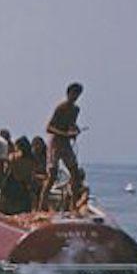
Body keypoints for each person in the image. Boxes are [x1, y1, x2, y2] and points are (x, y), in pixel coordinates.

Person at [38, 82, 83, 211]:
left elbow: (71, 124)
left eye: (77, 95)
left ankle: (73, 206)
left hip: (66, 143)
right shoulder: (60, 108)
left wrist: (74, 131)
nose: (75, 97)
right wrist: (64, 133)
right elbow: (49, 127)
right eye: (73, 94)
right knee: (52, 174)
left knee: (74, 172)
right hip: (56, 142)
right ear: (68, 93)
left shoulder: (76, 110)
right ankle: (42, 205)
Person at [0, 136, 37, 215]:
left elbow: (10, 170)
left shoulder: (13, 156)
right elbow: (31, 174)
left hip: (12, 185)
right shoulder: (32, 159)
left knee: (8, 211)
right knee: (24, 211)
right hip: (24, 186)